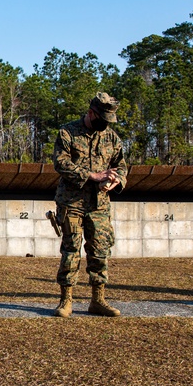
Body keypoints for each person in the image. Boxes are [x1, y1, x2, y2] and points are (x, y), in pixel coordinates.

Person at [51, 92, 127, 317]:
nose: (105, 125)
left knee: (100, 252)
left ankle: (98, 300)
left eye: (108, 121)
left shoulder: (112, 138)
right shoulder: (68, 132)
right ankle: (66, 301)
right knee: (71, 251)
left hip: (100, 205)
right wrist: (93, 176)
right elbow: (61, 163)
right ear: (91, 113)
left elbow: (121, 166)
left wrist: (115, 180)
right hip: (72, 203)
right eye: (102, 119)